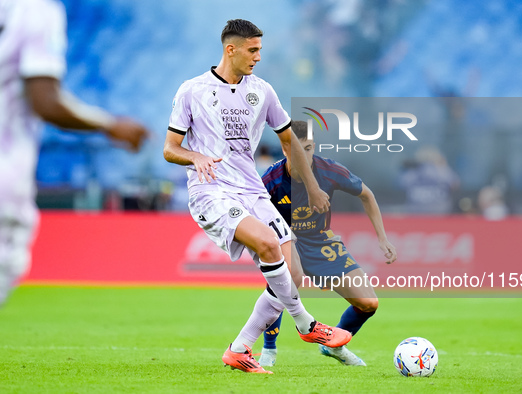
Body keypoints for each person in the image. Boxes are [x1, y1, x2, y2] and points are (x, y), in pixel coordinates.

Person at [163, 19, 351, 374]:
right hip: (211, 190)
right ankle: (307, 325)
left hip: (251, 190)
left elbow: (287, 140)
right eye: (253, 50)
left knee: (293, 274)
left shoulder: (262, 91)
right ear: (230, 49)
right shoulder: (192, 90)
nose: (258, 57)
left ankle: (238, 349)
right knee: (266, 243)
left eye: (260, 50)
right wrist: (195, 156)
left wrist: (310, 185)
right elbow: (170, 149)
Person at [0, 0, 148, 306]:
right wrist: (110, 125)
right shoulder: (37, 11)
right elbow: (46, 100)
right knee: (8, 263)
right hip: (6, 170)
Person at [259, 120, 397, 367]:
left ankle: (335, 345)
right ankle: (268, 351)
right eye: (301, 149)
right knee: (284, 286)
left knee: (368, 303)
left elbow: (367, 195)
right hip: (287, 240)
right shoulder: (271, 179)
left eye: (310, 148)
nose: (307, 155)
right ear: (286, 150)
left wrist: (382, 238)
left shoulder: (330, 171)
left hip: (320, 241)